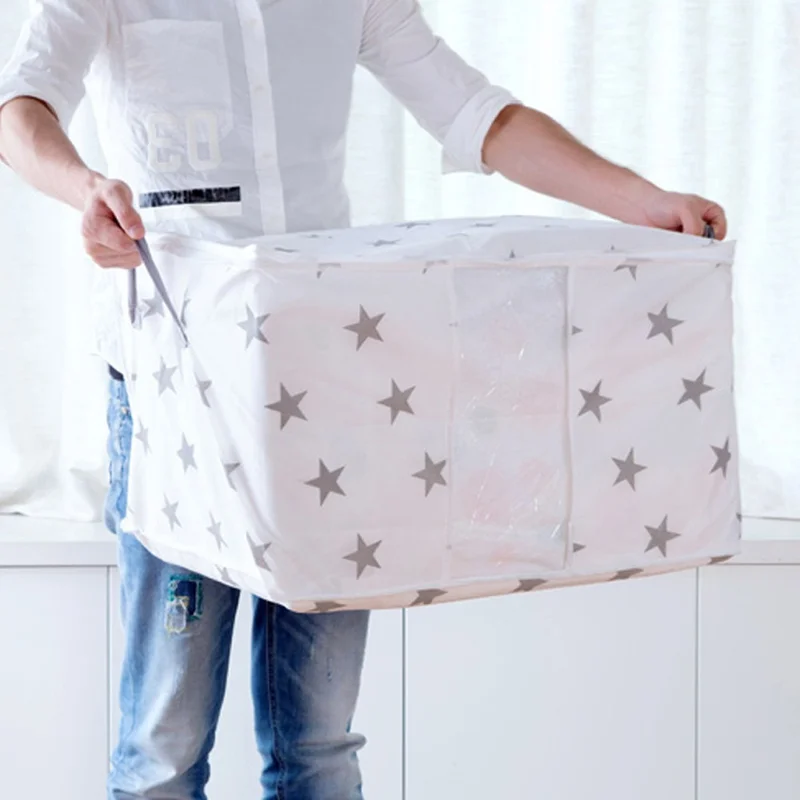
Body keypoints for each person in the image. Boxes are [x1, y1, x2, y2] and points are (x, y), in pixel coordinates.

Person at [0, 1, 727, 798]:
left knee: (318, 742)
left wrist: (642, 202)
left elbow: (474, 112)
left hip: (321, 387)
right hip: (179, 391)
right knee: (161, 751)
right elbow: (20, 104)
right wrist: (86, 189)